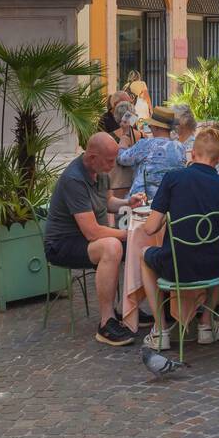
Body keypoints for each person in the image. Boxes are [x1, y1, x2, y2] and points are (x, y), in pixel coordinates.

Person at [139, 125, 219, 351]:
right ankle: (206, 325)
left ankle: (161, 330)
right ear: (218, 158)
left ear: (192, 154)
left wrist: (168, 215)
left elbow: (149, 229)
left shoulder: (173, 179)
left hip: (176, 267)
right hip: (212, 267)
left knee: (143, 254)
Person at [43, 132, 136, 346]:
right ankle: (106, 322)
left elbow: (108, 202)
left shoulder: (100, 172)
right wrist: (125, 234)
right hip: (62, 244)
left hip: (86, 238)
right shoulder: (73, 179)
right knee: (112, 246)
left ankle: (128, 309)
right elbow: (92, 233)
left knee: (135, 244)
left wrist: (128, 202)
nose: (113, 165)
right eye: (110, 160)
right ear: (92, 157)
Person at [116, 104, 186, 201]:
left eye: (151, 125)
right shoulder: (180, 147)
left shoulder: (146, 145)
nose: (149, 126)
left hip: (145, 202)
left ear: (156, 127)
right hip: (172, 200)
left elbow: (122, 159)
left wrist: (125, 134)